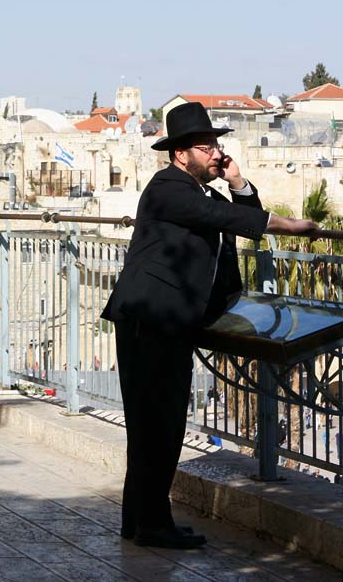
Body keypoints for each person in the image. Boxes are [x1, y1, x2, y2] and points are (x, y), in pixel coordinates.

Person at [100, 102, 320, 550]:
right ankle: (152, 523)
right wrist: (292, 226)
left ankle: (140, 520)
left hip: (168, 321)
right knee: (157, 425)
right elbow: (230, 220)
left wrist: (237, 179)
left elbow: (241, 213)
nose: (216, 153)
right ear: (182, 154)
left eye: (217, 144)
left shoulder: (198, 192)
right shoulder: (167, 187)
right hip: (151, 320)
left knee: (154, 426)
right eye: (207, 147)